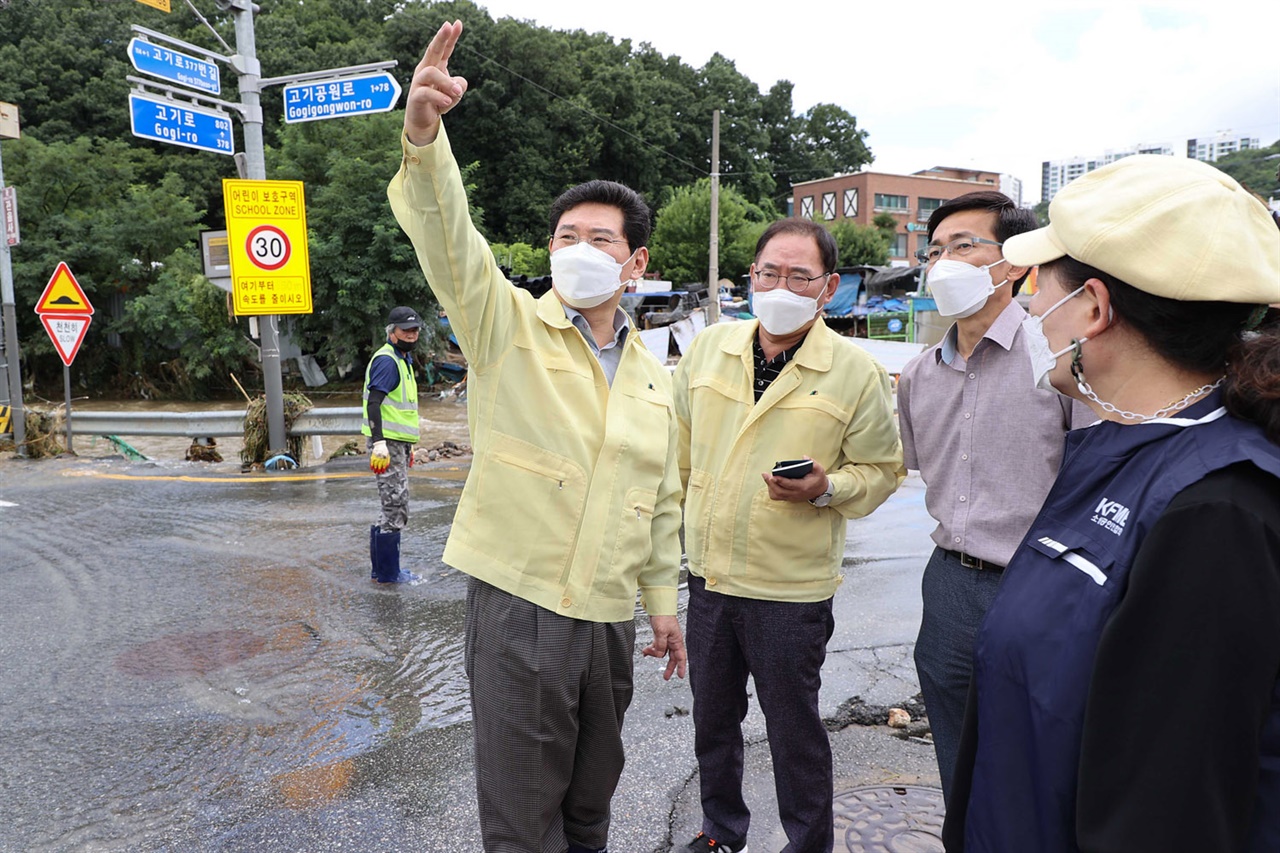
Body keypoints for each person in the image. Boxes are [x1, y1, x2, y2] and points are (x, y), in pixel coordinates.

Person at [387, 21, 686, 853]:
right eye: (565, 237)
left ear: (635, 263)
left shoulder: (655, 373)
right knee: (523, 822)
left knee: (591, 804)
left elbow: (658, 502)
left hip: (607, 619)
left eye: (600, 240)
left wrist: (660, 606)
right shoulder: (505, 323)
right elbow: (449, 239)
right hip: (520, 607)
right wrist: (424, 133)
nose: (578, 250)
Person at [943, 155, 1280, 852]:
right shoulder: (1124, 443)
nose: (1029, 306)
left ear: (1093, 309)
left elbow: (1167, 811)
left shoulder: (1216, 513)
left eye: (1040, 286)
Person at [673, 218, 906, 853]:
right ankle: (721, 833)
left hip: (791, 592)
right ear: (751, 276)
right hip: (711, 579)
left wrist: (826, 487)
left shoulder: (853, 370)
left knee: (793, 732)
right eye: (770, 272)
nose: (782, 285)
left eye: (800, 276)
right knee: (713, 723)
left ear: (828, 287)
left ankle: (808, 845)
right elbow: (680, 458)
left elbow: (883, 472)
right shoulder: (707, 349)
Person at [896, 191, 1092, 800]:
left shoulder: (1058, 359)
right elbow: (902, 467)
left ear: (1012, 264)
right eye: (934, 251)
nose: (943, 262)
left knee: (1044, 758)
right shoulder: (919, 373)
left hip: (1040, 582)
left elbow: (1096, 480)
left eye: (963, 245)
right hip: (949, 582)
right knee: (956, 753)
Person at [362, 304, 424, 584]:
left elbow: (400, 410)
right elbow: (374, 403)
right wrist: (379, 443)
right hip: (386, 445)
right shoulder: (388, 361)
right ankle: (389, 574)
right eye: (406, 330)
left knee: (389, 505)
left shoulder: (401, 359)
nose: (412, 335)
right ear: (392, 332)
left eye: (415, 330)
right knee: (395, 505)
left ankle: (382, 571)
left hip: (396, 445)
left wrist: (407, 448)